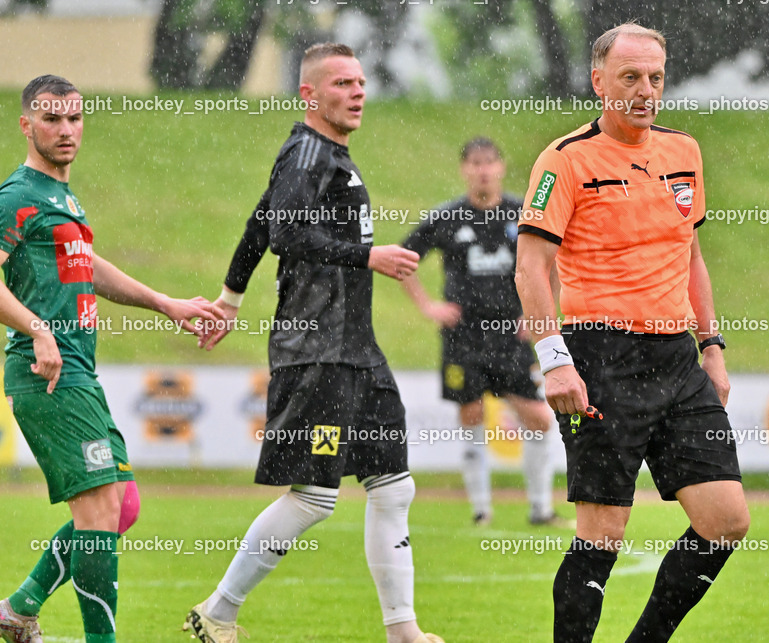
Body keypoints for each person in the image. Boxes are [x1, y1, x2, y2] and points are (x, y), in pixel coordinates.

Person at [184, 43, 443, 643]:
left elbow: (257, 223)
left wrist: (230, 298)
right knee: (314, 498)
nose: (358, 92)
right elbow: (285, 233)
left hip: (357, 350)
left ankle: (403, 632)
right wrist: (368, 256)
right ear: (309, 94)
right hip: (317, 349)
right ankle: (219, 611)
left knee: (393, 486)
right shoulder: (307, 152)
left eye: (361, 81)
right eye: (342, 83)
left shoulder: (327, 156)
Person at [515, 23, 750, 643]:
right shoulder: (566, 159)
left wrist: (713, 348)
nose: (646, 91)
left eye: (655, 78)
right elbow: (530, 267)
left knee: (726, 521)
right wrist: (554, 360)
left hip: (678, 360)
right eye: (630, 78)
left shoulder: (685, 152)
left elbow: (691, 255)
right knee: (602, 534)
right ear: (599, 82)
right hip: (601, 358)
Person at [0, 75, 222, 643]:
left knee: (121, 507)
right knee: (99, 513)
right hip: (47, 375)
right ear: (26, 125)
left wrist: (164, 303)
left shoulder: (62, 199)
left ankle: (19, 610)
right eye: (52, 119)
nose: (66, 130)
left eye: (75, 118)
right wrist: (36, 328)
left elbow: (89, 266)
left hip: (79, 373)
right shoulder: (17, 197)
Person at [399, 137, 563, 527]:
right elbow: (403, 259)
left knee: (540, 418)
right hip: (464, 337)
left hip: (510, 336)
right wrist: (428, 306)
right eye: (475, 163)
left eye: (489, 162)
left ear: (501, 166)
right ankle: (481, 512)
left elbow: (555, 263)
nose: (483, 170)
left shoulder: (523, 214)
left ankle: (541, 509)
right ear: (464, 169)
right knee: (471, 414)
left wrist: (540, 314)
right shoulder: (448, 216)